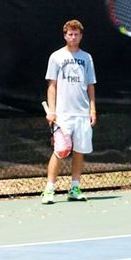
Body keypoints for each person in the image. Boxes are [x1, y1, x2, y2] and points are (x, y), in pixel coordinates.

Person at [41, 19, 97, 204]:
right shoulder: (56, 57)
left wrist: (92, 109)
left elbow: (90, 85)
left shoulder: (87, 58)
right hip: (63, 114)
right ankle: (49, 189)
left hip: (82, 114)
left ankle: (74, 187)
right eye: (70, 34)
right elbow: (52, 86)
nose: (73, 37)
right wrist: (52, 111)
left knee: (79, 151)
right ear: (65, 35)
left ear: (81, 36)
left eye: (76, 34)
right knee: (61, 150)